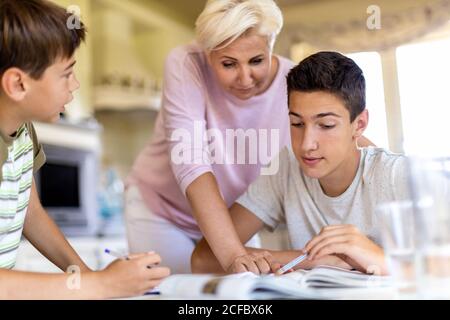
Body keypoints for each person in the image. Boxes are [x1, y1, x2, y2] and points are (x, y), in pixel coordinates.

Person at [125, 0, 373, 274]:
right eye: (229, 64)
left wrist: (395, 170)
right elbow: (191, 162)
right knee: (178, 291)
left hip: (231, 218)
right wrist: (233, 256)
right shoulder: (186, 64)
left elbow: (347, 136)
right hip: (163, 211)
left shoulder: (293, 82)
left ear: (271, 46)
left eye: (256, 60)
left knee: (242, 293)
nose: (245, 78)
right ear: (207, 54)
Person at [0, 0, 169, 299]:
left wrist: (90, 277)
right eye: (66, 74)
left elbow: (31, 212)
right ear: (17, 84)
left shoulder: (23, 133)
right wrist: (98, 285)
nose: (75, 84)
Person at [191, 51, 410, 276]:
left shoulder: (397, 174)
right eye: (296, 123)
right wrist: (313, 260)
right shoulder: (286, 168)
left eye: (325, 125)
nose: (306, 145)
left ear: (359, 124)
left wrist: (375, 255)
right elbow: (203, 259)